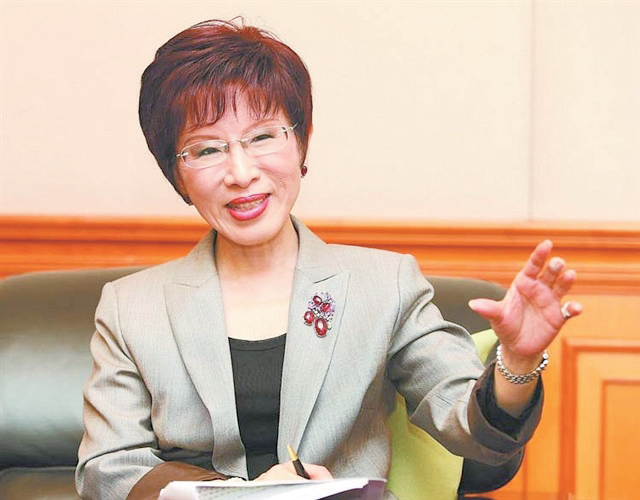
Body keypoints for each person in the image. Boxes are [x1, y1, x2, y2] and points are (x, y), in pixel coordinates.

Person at [75, 18, 582, 500]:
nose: (241, 172)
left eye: (263, 136)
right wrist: (246, 496)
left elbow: (471, 433)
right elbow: (108, 470)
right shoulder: (131, 308)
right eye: (207, 150)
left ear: (301, 143)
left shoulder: (385, 284)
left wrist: (516, 364)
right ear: (177, 174)